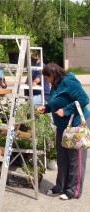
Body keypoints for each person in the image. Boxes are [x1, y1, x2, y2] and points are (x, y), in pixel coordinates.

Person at [37, 63, 89, 200]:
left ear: (53, 74)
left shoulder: (68, 82)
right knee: (62, 158)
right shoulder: (55, 83)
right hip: (62, 126)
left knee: (75, 160)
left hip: (75, 126)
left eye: (46, 78)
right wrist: (46, 108)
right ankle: (60, 187)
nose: (46, 81)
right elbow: (56, 102)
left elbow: (84, 99)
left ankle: (73, 190)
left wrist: (66, 110)